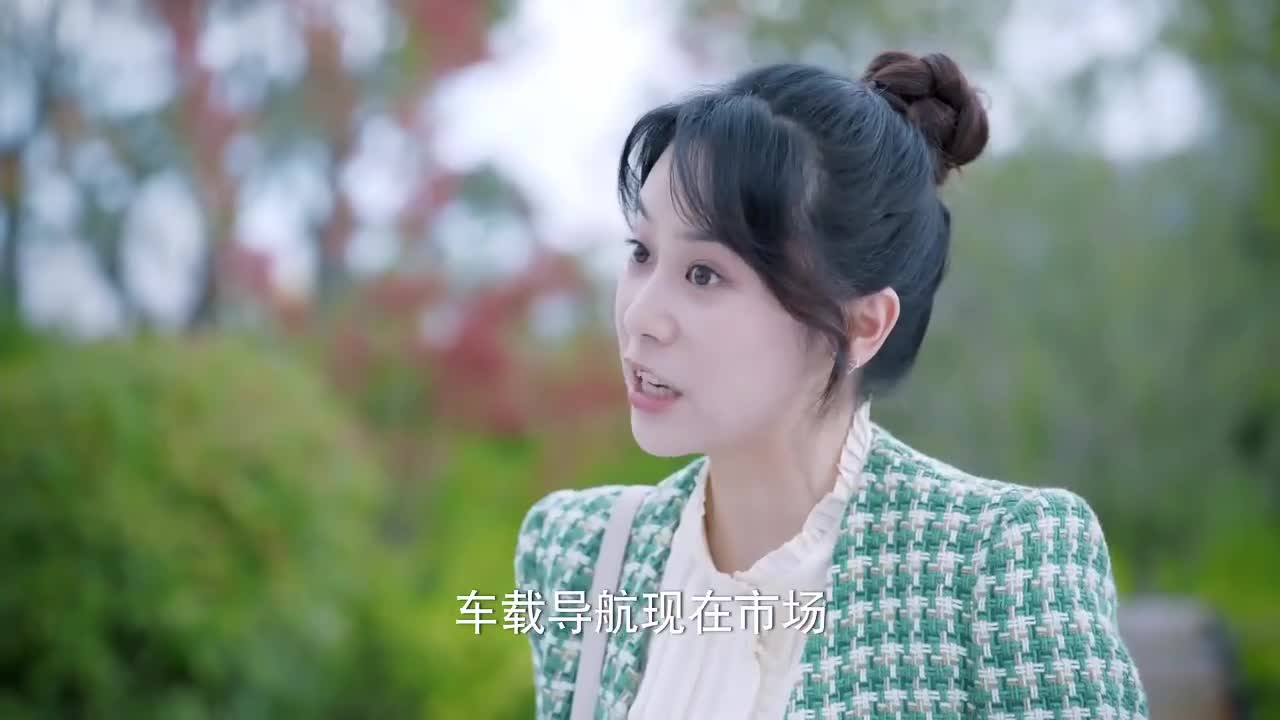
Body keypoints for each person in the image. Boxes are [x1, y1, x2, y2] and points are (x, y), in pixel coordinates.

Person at [515, 50, 1149, 719]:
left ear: (860, 325)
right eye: (641, 253)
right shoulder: (582, 552)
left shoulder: (997, 563)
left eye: (704, 274)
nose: (640, 317)